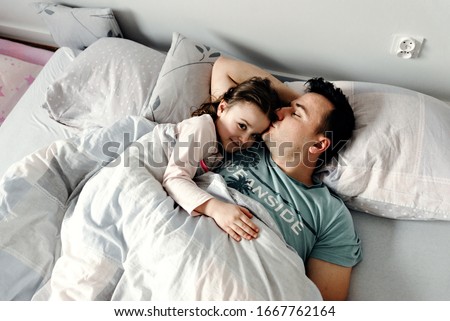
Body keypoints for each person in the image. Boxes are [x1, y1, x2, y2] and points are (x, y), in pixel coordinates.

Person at [210, 56, 362, 301]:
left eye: (296, 113)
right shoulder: (241, 139)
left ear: (319, 144)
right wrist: (292, 98)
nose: (279, 111)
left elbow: (323, 304)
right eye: (287, 105)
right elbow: (224, 67)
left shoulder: (330, 215)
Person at [163, 76, 280, 242]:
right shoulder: (202, 127)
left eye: (254, 135)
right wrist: (216, 209)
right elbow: (174, 179)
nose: (245, 140)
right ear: (222, 108)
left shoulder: (221, 149)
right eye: (242, 126)